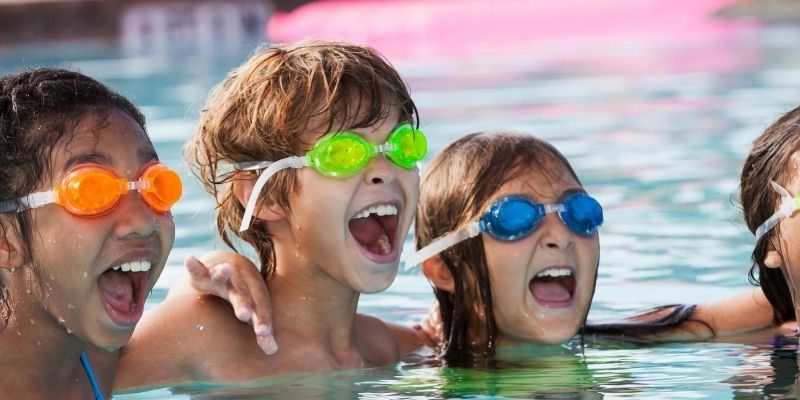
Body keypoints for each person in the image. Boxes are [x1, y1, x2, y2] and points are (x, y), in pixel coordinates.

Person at [114, 40, 430, 388]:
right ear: (261, 195)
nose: (384, 169)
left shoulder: (385, 348)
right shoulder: (206, 338)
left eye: (402, 145)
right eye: (344, 153)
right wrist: (185, 298)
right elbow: (74, 380)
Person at [0, 68, 181, 399]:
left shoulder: (97, 358)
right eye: (91, 190)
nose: (143, 221)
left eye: (155, 185)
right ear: (5, 239)